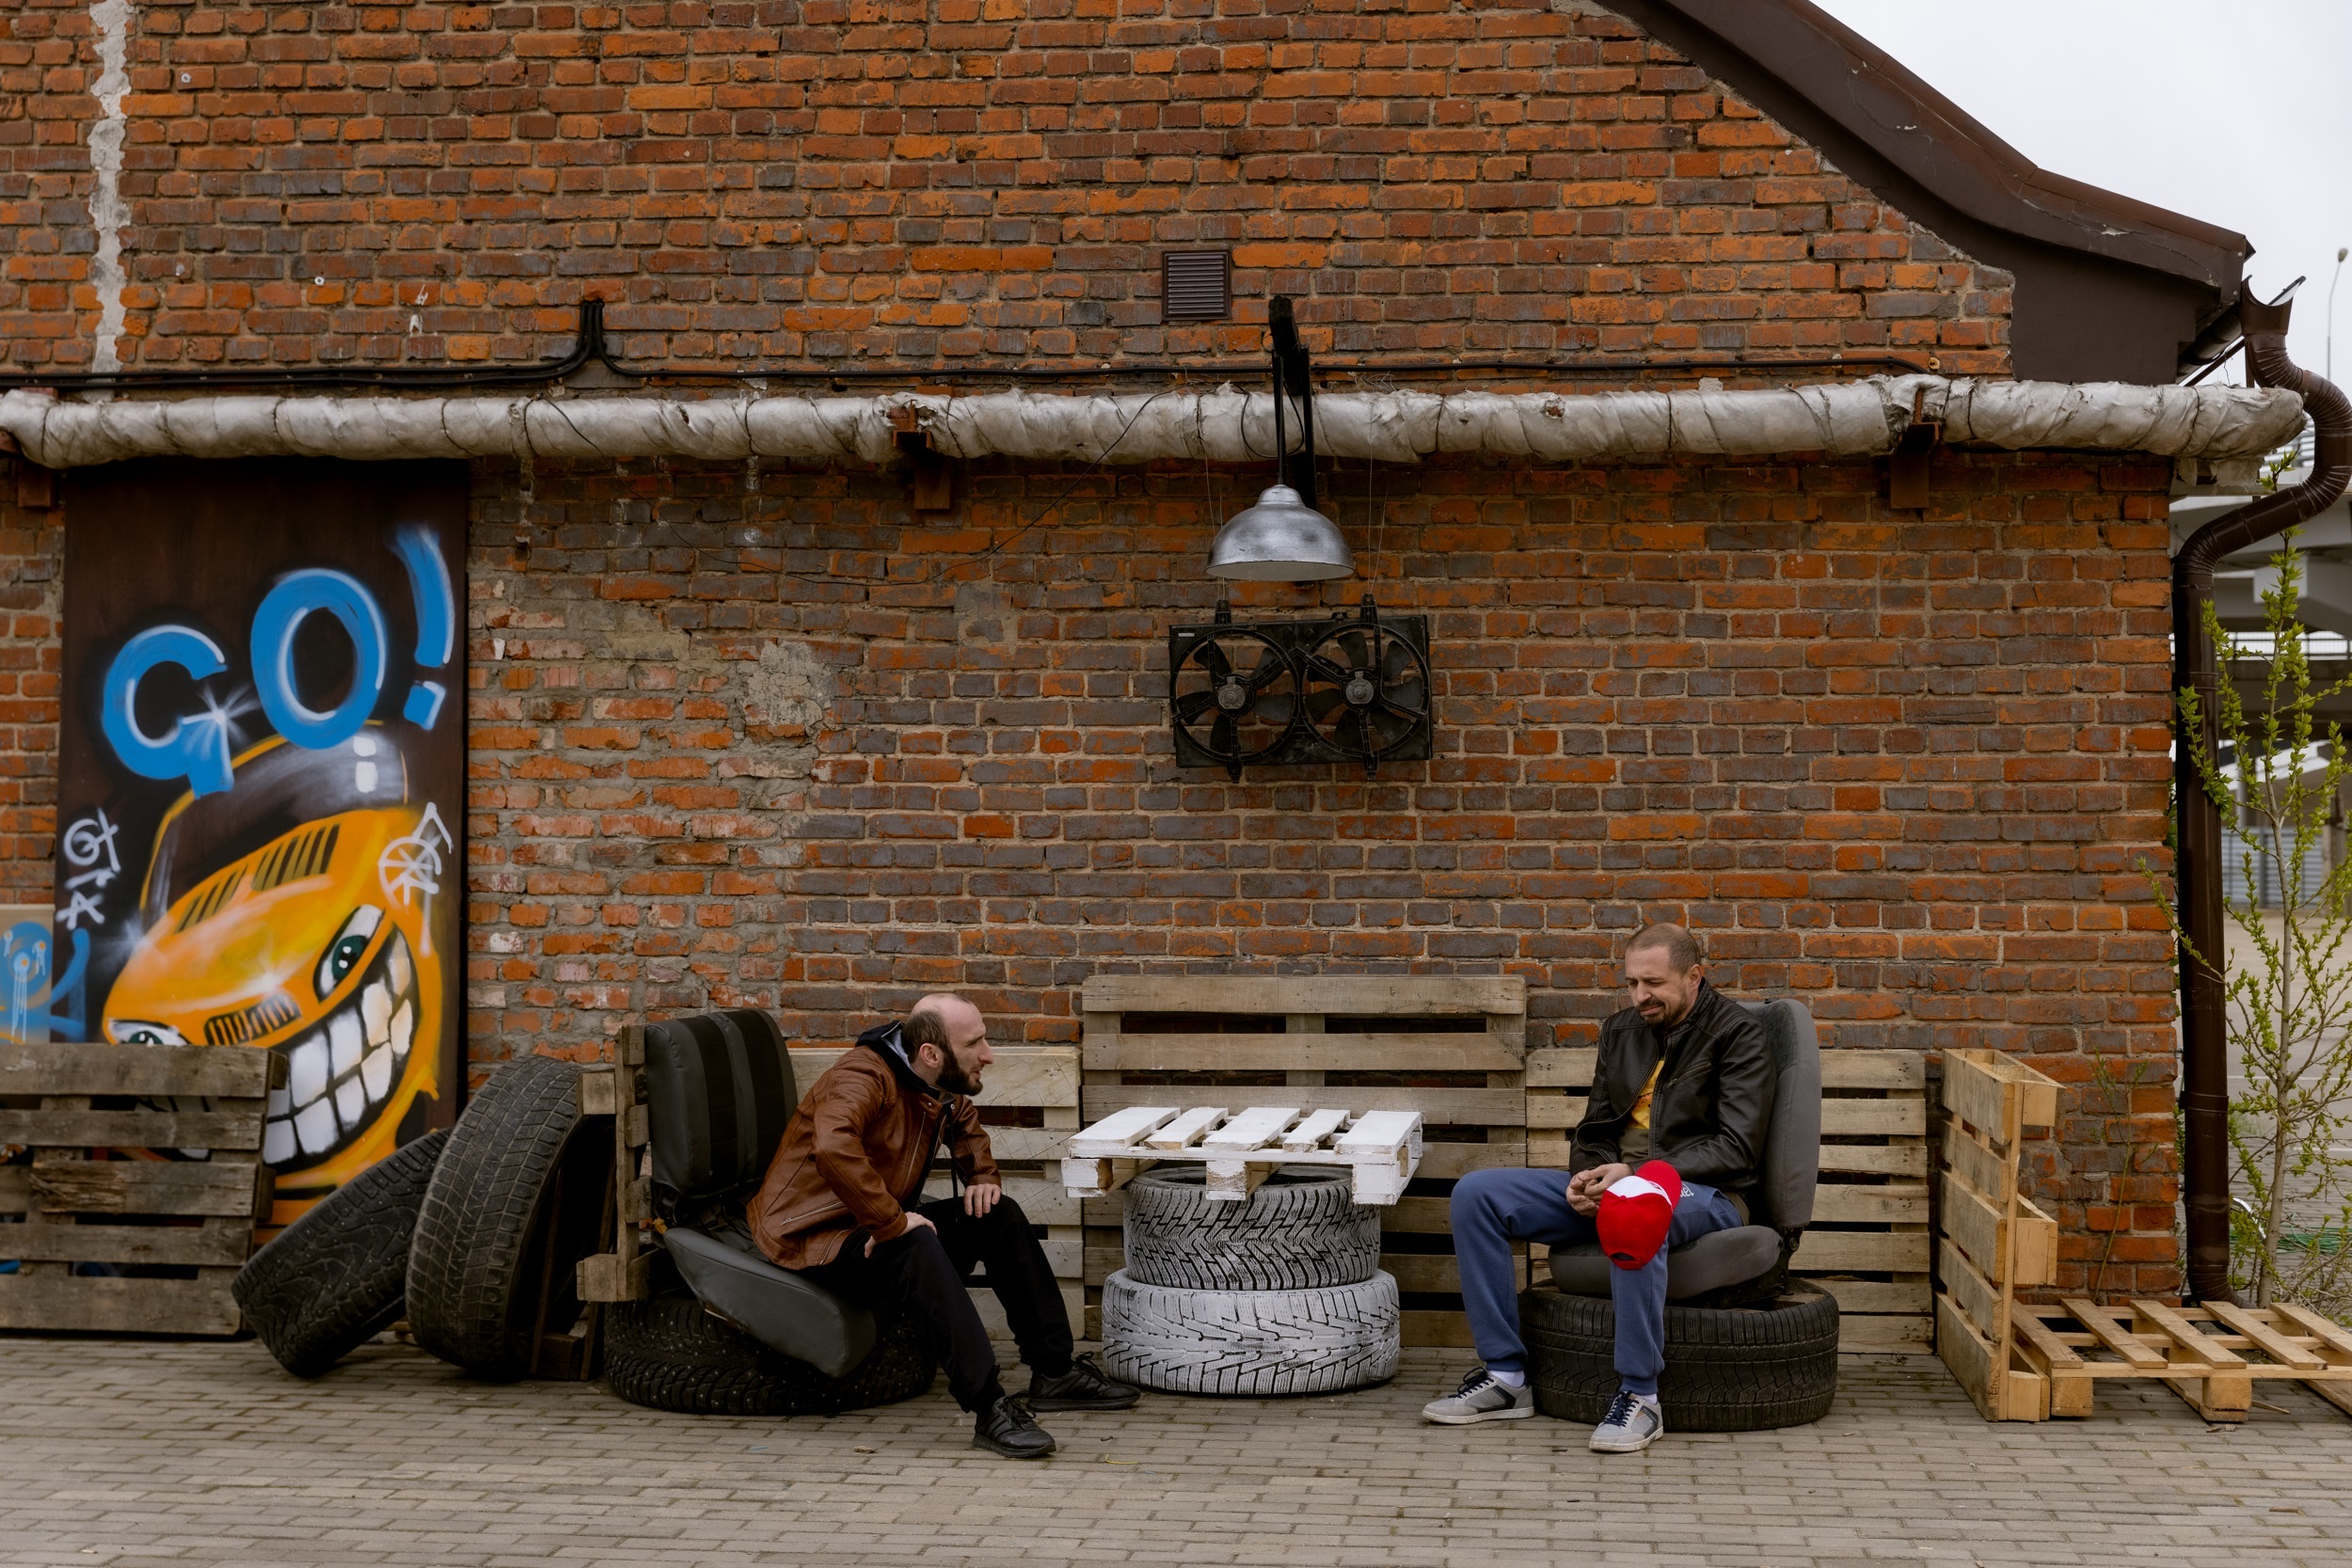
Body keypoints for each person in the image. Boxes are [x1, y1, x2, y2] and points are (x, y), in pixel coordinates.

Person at [1423, 924, 1773, 1452]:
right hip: (1620, 1182)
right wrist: (1588, 1176)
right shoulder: (1622, 1030)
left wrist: (1632, 1176)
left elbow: (1736, 1148)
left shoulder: (1738, 1034)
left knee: (1633, 1206)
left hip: (1704, 1192)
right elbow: (1595, 1129)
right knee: (1478, 1194)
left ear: (1694, 976)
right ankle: (1506, 1380)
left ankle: (1641, 1397)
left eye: (1653, 983)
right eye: (1631, 983)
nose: (1640, 997)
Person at [748, 992, 1140, 1458]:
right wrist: (891, 1224)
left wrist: (982, 1176)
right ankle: (987, 1405)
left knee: (998, 1214)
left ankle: (1053, 1372)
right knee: (914, 1242)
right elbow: (834, 1149)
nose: (988, 1055)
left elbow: (963, 1120)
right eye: (975, 1043)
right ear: (931, 1053)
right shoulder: (859, 1077)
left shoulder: (933, 1076)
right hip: (814, 1237)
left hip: (870, 1220)